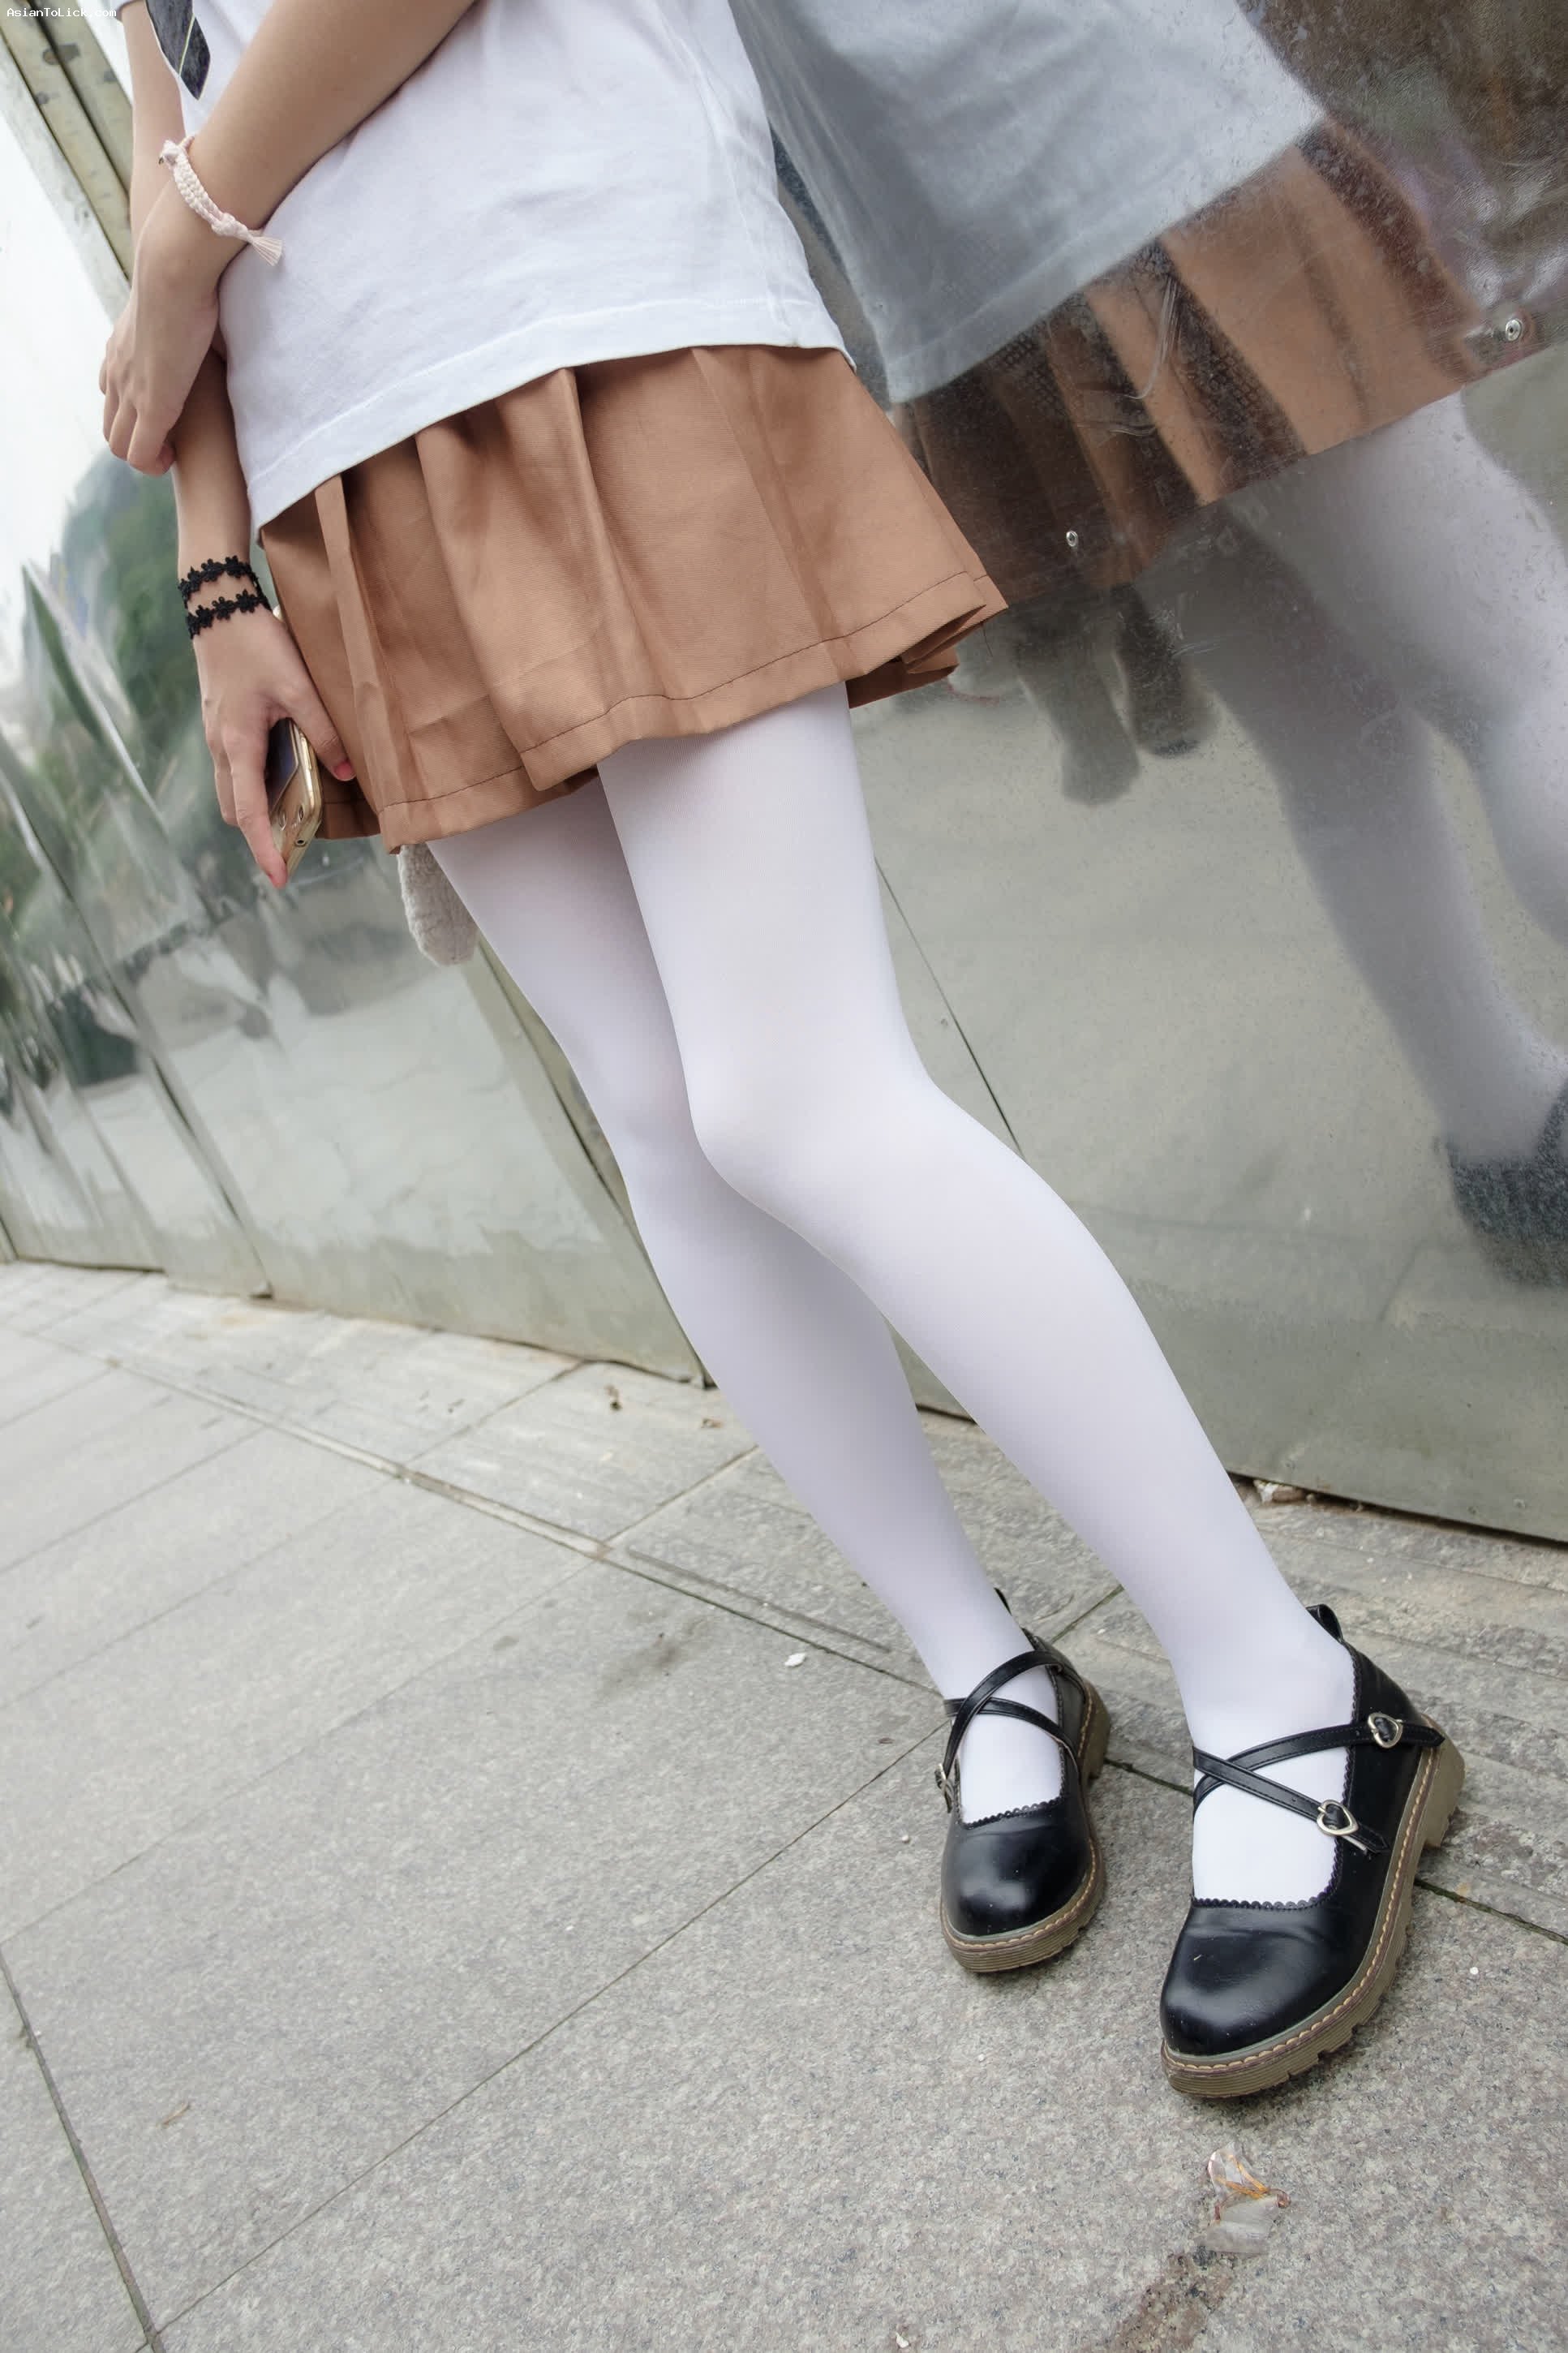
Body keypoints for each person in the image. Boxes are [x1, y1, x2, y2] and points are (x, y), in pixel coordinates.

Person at [101, 0, 1463, 2099]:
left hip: (584, 305)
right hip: (335, 466)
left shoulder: (288, 240)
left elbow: (184, 205)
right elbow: (165, 89)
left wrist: (190, 247)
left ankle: (1286, 1686)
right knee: (662, 1121)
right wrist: (217, 578)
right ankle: (981, 1665)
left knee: (791, 1092)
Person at [735, 0, 1568, 1285]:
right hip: (1155, 132)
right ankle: (1513, 1140)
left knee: (1338, 762)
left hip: (968, 267)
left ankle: (1510, 1146)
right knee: (1518, 671)